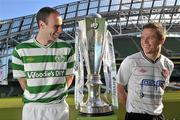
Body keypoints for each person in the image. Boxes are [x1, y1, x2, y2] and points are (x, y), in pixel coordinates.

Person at [12, 7, 75, 120]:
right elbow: (23, 81)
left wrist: (53, 96)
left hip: (58, 109)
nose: (60, 30)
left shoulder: (67, 48)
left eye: (61, 26)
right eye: (56, 26)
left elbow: (69, 76)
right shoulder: (20, 50)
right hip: (32, 110)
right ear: (42, 25)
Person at [117, 22, 174, 120]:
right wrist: (130, 110)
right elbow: (119, 88)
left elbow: (160, 90)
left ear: (162, 40)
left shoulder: (168, 64)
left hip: (158, 116)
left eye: (150, 38)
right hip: (135, 116)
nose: (145, 41)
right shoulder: (130, 61)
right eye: (142, 37)